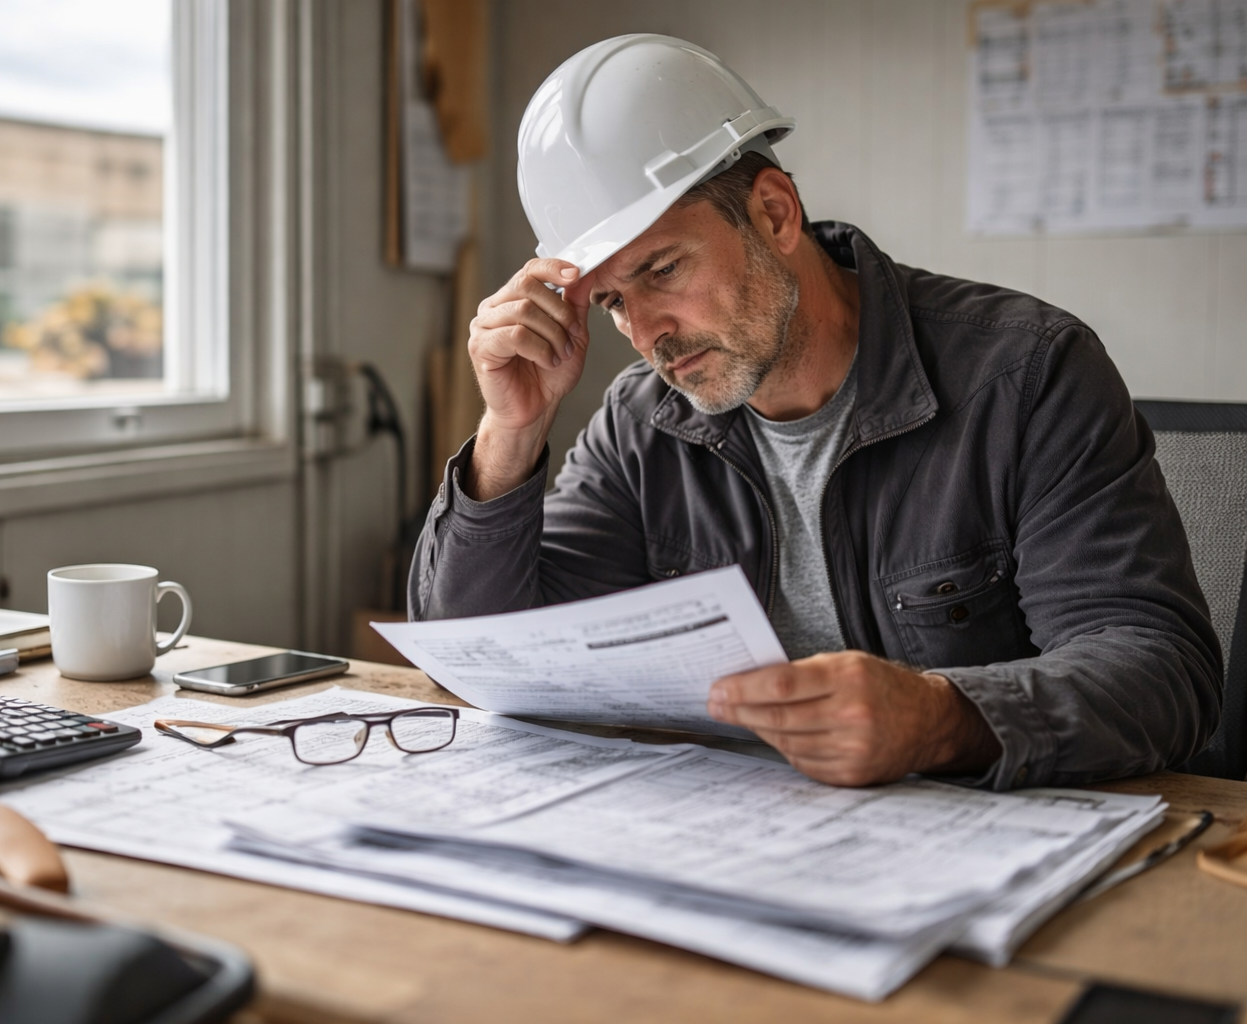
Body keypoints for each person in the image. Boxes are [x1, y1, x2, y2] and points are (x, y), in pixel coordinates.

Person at [408, 35, 1222, 790]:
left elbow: (1160, 671)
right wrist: (510, 433)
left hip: (974, 844)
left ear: (773, 213)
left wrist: (942, 717)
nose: (646, 333)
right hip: (725, 839)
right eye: (613, 300)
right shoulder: (643, 422)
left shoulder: (1028, 374)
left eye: (662, 269)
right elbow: (477, 659)